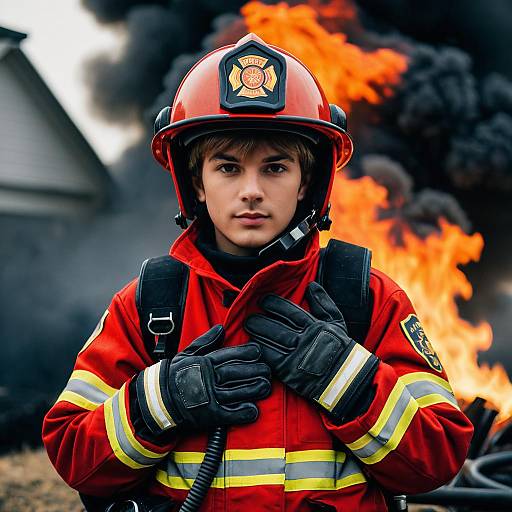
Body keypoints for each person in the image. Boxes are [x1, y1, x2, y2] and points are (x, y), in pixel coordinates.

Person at [43, 33, 474, 511]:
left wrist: (348, 381)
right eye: (228, 168)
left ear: (307, 181)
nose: (251, 190)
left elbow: (439, 458)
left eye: (275, 168)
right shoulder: (151, 303)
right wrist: (160, 401)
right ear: (197, 183)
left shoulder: (366, 296)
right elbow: (73, 454)